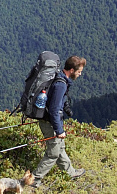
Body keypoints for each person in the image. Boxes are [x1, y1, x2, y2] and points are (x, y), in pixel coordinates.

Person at [31, 55, 87, 188]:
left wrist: (66, 107)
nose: (80, 74)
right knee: (53, 154)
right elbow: (54, 110)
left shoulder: (60, 78)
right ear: (72, 70)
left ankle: (71, 173)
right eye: (79, 71)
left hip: (50, 121)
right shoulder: (60, 84)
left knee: (60, 147)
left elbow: (57, 102)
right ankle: (34, 180)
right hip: (50, 123)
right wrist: (59, 130)